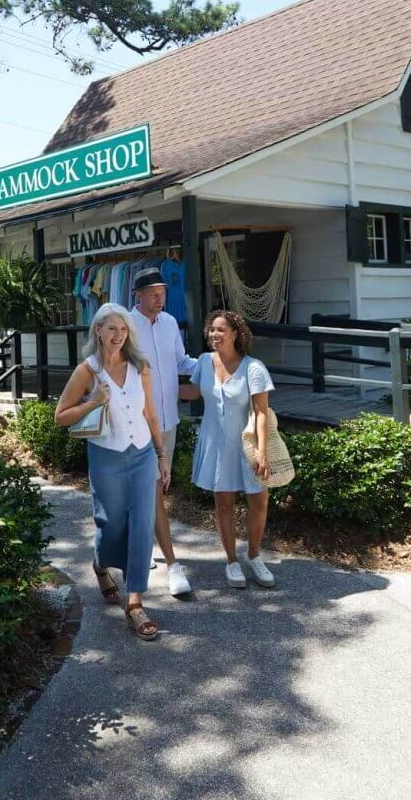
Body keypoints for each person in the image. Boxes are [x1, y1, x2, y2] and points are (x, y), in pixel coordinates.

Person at [55, 303, 170, 640]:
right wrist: (93, 402)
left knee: (141, 524)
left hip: (142, 454)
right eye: (112, 330)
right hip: (106, 457)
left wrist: (162, 455)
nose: (118, 336)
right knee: (112, 524)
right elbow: (60, 416)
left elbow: (150, 415)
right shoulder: (87, 371)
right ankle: (100, 564)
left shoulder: (140, 367)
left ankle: (135, 601)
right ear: (99, 332)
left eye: (123, 330)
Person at [182, 310, 275, 588]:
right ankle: (232, 561)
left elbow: (261, 412)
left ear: (236, 333)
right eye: (212, 330)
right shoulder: (204, 363)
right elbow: (193, 392)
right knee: (223, 504)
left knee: (259, 501)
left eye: (221, 330)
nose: (214, 335)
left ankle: (254, 555)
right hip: (215, 444)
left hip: (247, 445)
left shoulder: (253, 367)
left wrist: (261, 451)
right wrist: (155, 388)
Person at [131, 266, 197, 597]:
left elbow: (183, 363)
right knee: (152, 488)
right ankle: (173, 565)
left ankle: (138, 550)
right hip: (135, 425)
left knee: (153, 489)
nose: (160, 298)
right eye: (153, 293)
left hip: (168, 420)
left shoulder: (170, 323)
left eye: (163, 292)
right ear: (137, 296)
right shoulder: (124, 326)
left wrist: (215, 366)